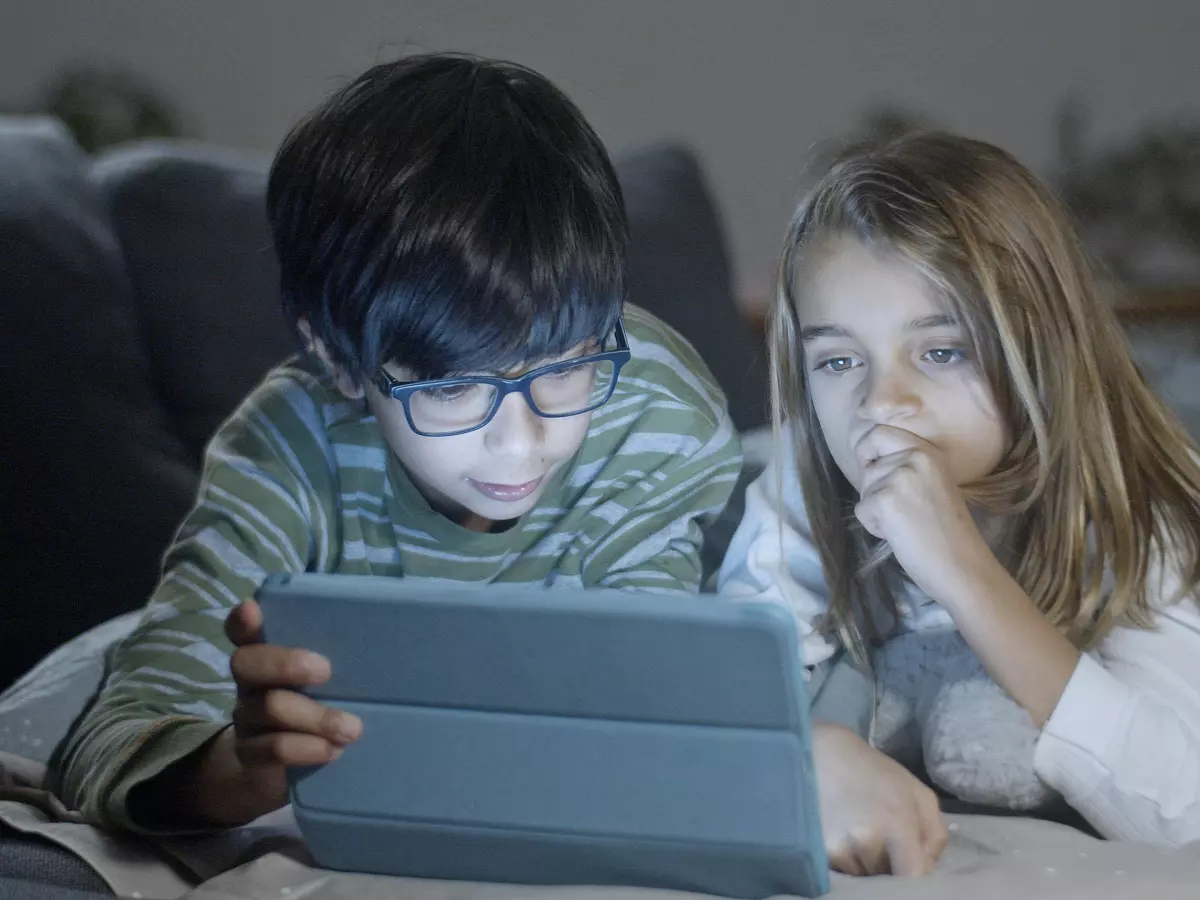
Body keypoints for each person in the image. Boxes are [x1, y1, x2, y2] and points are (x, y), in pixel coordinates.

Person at [56, 53, 742, 833]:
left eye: (566, 369)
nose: (521, 446)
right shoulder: (287, 453)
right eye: (450, 388)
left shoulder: (656, 411)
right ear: (340, 360)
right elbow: (120, 734)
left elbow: (648, 698)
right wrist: (237, 770)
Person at [720, 131, 1200, 873]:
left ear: (1040, 351)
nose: (881, 402)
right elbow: (736, 700)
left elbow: (1183, 810)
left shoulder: (1142, 517)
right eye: (840, 361)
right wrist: (813, 750)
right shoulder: (801, 493)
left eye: (942, 351)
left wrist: (962, 568)